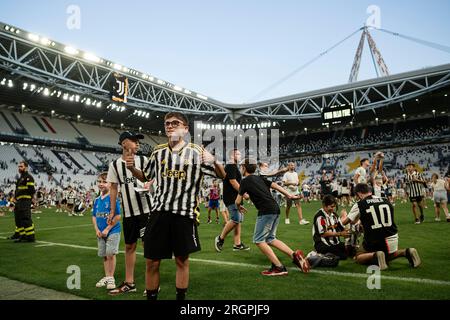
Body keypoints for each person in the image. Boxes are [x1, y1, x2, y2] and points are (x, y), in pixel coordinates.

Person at [127, 112, 225, 300]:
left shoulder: (196, 151)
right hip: (159, 212)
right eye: (167, 123)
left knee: (181, 260)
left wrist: (215, 161)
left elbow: (221, 176)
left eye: (175, 123)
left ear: (185, 129)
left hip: (184, 214)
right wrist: (132, 168)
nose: (170, 126)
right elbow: (147, 176)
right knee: (152, 262)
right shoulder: (158, 151)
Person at [235, 158, 310, 275]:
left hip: (266, 210)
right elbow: (275, 185)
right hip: (275, 208)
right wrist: (289, 195)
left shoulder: (244, 181)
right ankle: (294, 255)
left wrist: (239, 206)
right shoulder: (260, 178)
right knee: (270, 239)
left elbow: (238, 200)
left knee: (258, 240)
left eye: (241, 167)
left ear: (244, 168)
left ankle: (279, 267)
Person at [107, 131, 152, 295]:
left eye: (138, 141)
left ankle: (151, 284)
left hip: (146, 211)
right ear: (124, 143)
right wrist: (112, 210)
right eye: (134, 141)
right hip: (129, 213)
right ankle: (129, 282)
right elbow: (113, 188)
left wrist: (149, 185)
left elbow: (151, 179)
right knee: (129, 246)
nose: (138, 144)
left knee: (148, 246)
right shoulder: (114, 165)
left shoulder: (143, 160)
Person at [341, 183, 421, 270]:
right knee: (388, 255)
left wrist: (343, 216)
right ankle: (406, 252)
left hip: (375, 239)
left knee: (358, 257)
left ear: (359, 193)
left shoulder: (360, 204)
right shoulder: (385, 199)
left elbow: (345, 222)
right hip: (392, 237)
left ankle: (376, 255)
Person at [215, 149, 250, 252]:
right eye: (237, 154)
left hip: (236, 196)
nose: (240, 155)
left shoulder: (233, 166)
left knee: (238, 221)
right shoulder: (231, 165)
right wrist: (244, 194)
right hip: (231, 197)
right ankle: (220, 239)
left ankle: (237, 244)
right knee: (235, 219)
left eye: (240, 153)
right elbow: (233, 182)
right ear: (232, 155)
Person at [92, 172, 121, 290]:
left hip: (112, 231)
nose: (101, 184)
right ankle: (107, 276)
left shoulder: (113, 198)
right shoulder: (97, 199)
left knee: (110, 254)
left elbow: (118, 216)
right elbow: (94, 216)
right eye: (99, 181)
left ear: (110, 184)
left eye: (104, 182)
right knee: (104, 255)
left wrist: (107, 229)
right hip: (100, 232)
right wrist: (97, 229)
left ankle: (111, 277)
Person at [312, 195, 350, 260]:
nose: (333, 208)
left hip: (335, 243)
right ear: (324, 205)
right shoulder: (320, 216)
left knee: (350, 249)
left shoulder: (334, 215)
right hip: (322, 244)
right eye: (331, 206)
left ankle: (326, 254)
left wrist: (349, 232)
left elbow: (342, 228)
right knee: (343, 256)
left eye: (334, 206)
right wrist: (340, 234)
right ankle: (318, 254)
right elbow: (324, 233)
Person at [7, 161, 36, 242]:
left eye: (21, 166)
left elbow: (31, 190)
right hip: (19, 201)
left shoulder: (29, 177)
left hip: (25, 201)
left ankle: (30, 237)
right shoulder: (20, 178)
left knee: (25, 218)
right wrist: (14, 199)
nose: (19, 168)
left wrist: (31, 200)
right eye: (19, 166)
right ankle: (22, 235)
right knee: (18, 219)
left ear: (26, 167)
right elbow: (17, 190)